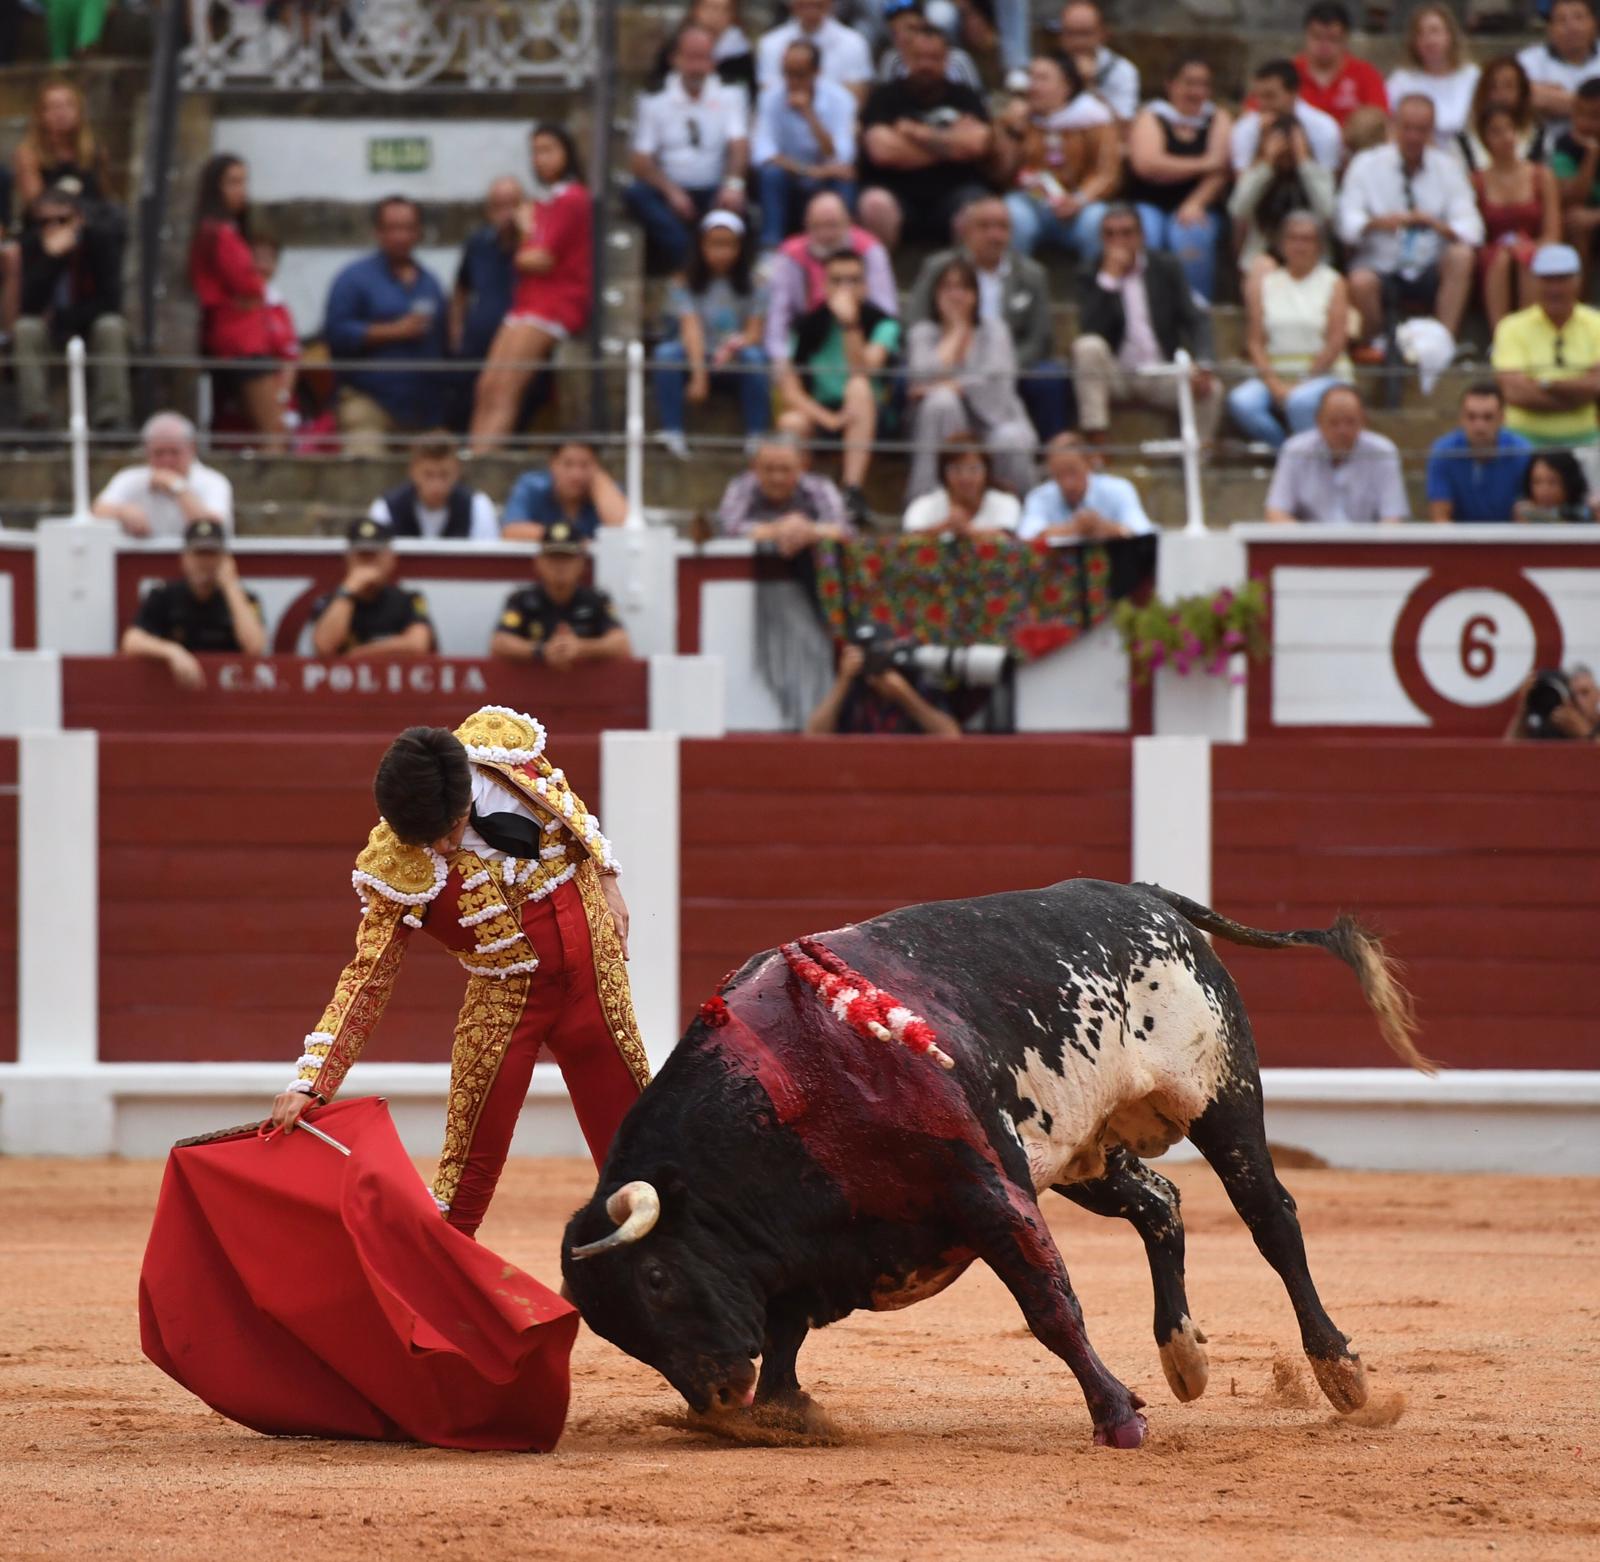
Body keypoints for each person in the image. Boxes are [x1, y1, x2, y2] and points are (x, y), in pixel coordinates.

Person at [267, 709, 648, 1239]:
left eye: (445, 833)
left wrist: (607, 875)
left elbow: (572, 811)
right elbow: (367, 977)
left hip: (596, 984)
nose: (441, 850)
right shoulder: (398, 866)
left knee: (646, 1160)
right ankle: (433, 1313)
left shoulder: (507, 755)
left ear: (466, 798)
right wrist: (312, 1082)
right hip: (504, 1003)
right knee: (460, 1190)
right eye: (425, 841)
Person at [469, 125, 592, 454]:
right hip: (528, 303)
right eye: (535, 151)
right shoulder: (544, 202)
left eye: (548, 149)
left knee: (507, 387)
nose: (540, 159)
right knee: (487, 386)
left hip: (553, 305)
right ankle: (473, 456)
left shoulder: (572, 199)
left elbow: (538, 258)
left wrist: (525, 234)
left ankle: (484, 462)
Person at [907, 196, 1067, 441]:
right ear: (966, 231)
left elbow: (1039, 339)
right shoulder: (938, 267)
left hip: (1007, 366)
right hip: (946, 359)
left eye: (1002, 227)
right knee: (903, 379)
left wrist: (999, 367)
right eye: (985, 226)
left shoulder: (1033, 275)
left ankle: (1050, 454)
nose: (994, 235)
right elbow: (914, 320)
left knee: (1050, 376)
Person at [1069, 205, 1223, 450]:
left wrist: (1203, 362)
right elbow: (1090, 328)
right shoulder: (1089, 272)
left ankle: (1196, 462)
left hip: (1160, 371)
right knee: (1087, 347)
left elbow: (1196, 318)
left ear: (1141, 236)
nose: (1118, 241)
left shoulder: (1165, 266)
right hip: (1115, 374)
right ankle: (1098, 444)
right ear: (1101, 239)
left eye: (1126, 233)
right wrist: (1108, 280)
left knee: (1210, 389)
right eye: (1110, 234)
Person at [1337, 94, 1483, 343]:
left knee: (1462, 256)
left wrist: (1438, 225)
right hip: (1380, 265)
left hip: (1429, 266)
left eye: (1422, 130)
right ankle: (1378, 345)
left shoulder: (1448, 167)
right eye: (1407, 129)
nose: (1414, 137)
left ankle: (1442, 342)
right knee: (1360, 281)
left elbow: (1474, 230)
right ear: (1392, 127)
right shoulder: (1366, 164)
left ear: (1432, 131)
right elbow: (1346, 225)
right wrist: (1379, 223)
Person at [775, 246, 899, 515]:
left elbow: (864, 371)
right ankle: (795, 499)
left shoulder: (883, 324)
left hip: (871, 418)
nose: (846, 288)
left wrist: (850, 325)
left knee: (858, 388)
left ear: (866, 285)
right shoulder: (806, 326)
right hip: (826, 413)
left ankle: (851, 491)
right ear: (824, 285)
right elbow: (790, 390)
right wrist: (827, 419)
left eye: (854, 280)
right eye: (837, 280)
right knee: (790, 422)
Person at [322, 196, 448, 456]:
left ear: (418, 232)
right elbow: (336, 334)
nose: (400, 236)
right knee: (364, 469)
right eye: (392, 228)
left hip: (422, 409)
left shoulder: (430, 283)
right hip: (368, 402)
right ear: (378, 232)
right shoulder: (353, 279)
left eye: (407, 228)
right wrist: (394, 331)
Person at [904, 256, 1037, 500]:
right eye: (948, 287)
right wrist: (955, 332)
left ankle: (1018, 513)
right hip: (940, 423)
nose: (956, 295)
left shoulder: (995, 330)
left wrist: (952, 385)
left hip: (994, 420)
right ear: (935, 294)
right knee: (942, 401)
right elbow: (921, 377)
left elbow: (998, 383)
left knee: (1009, 438)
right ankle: (931, 503)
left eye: (963, 288)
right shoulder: (921, 333)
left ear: (975, 294)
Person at [625, 24, 750, 276]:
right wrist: (672, 192)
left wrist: (733, 183)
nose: (697, 67)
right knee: (636, 194)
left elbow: (739, 145)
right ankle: (690, 263)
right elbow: (640, 160)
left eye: (704, 58)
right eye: (691, 58)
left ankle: (722, 274)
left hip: (715, 187)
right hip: (671, 189)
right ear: (675, 59)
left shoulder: (731, 93)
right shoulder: (654, 98)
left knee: (741, 204)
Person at [856, 26, 993, 250]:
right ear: (906, 58)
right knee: (874, 203)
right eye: (919, 57)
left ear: (946, 59)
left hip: (955, 194)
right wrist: (951, 145)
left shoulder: (965, 96)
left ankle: (967, 278)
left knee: (980, 205)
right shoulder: (884, 96)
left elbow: (978, 144)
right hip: (896, 194)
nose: (926, 65)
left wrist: (917, 134)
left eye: (934, 58)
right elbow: (881, 151)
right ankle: (880, 274)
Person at [1228, 211, 1352, 450]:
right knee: (1242, 402)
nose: (1300, 246)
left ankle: (1308, 457)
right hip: (1274, 371)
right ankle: (1287, 453)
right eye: (1293, 239)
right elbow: (1255, 341)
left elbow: (1336, 340)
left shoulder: (1333, 281)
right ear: (1282, 244)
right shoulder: (1266, 283)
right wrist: (1273, 382)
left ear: (1319, 245)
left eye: (1307, 239)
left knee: (1299, 402)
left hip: (1322, 374)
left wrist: (1303, 381)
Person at [189, 154, 289, 448]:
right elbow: (246, 284)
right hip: (241, 341)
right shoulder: (220, 232)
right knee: (273, 430)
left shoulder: (219, 230)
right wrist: (253, 291)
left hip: (235, 337)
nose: (241, 190)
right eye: (233, 182)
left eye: (243, 181)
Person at [653, 210, 769, 459]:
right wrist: (699, 376)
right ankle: (672, 431)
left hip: (732, 360)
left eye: (729, 245)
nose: (721, 253)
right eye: (714, 245)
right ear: (701, 246)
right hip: (697, 358)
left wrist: (733, 346)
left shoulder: (756, 283)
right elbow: (690, 328)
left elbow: (754, 332)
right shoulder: (682, 282)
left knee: (755, 357)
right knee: (666, 353)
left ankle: (756, 436)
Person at [14, 185, 129, 431]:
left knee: (111, 326)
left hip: (88, 326)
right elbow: (27, 304)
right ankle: (37, 418)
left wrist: (65, 319)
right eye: (45, 221)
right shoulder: (32, 246)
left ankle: (111, 416)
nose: (54, 227)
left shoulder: (100, 242)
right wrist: (52, 259)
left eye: (63, 220)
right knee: (25, 329)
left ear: (79, 219)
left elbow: (110, 301)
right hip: (50, 330)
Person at [1123, 55, 1234, 303]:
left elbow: (1220, 170)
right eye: (1189, 83)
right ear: (1170, 85)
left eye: (1203, 84)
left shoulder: (1218, 118)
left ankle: (1196, 307)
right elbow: (1147, 164)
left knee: (1190, 234)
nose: (1196, 91)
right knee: (1146, 232)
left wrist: (1196, 201)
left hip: (1197, 204)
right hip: (1149, 202)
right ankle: (1145, 304)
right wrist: (1203, 163)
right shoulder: (1151, 116)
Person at [994, 54, 1120, 268]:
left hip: (1079, 205)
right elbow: (1000, 173)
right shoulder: (1017, 119)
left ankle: (1096, 291)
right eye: (1031, 77)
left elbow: (1106, 172)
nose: (1033, 86)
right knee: (1013, 214)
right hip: (1030, 202)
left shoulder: (1095, 119)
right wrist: (1012, 131)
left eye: (1043, 79)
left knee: (1097, 219)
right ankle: (1013, 290)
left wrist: (1079, 199)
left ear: (1066, 87)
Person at [121, 521, 266, 690]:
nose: (204, 562)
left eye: (211, 554)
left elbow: (255, 648)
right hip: (174, 697)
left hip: (230, 696)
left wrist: (230, 586)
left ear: (224, 559)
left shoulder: (245, 598)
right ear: (185, 558)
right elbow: (131, 641)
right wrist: (173, 652)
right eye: (198, 553)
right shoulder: (164, 596)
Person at [762, 189, 898, 363]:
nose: (826, 234)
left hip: (867, 336)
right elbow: (778, 317)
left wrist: (850, 323)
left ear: (849, 222)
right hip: (811, 341)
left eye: (833, 225)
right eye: (817, 226)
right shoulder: (789, 255)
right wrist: (782, 363)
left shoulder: (871, 249)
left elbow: (885, 311)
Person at [752, 38, 859, 250]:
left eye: (799, 74)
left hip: (826, 182)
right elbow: (763, 154)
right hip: (791, 178)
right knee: (771, 174)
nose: (792, 81)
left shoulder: (841, 99)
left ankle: (842, 247)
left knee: (844, 180)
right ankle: (771, 247)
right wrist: (809, 171)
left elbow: (841, 157)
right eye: (787, 73)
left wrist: (809, 114)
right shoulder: (769, 99)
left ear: (816, 72)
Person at [1491, 241, 1600, 446]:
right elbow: (1514, 392)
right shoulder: (1511, 326)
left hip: (1586, 437)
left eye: (1562, 279)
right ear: (1534, 282)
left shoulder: (1597, 324)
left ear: (1578, 281)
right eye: (1547, 280)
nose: (1555, 288)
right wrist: (1576, 395)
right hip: (1523, 437)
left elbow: (1597, 384)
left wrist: (1545, 383)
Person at [490, 522, 633, 667]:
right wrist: (541, 650)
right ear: (539, 562)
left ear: (582, 563)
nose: (560, 566)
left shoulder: (596, 600)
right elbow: (499, 643)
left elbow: (622, 644)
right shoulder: (522, 599)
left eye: (567, 559)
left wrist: (581, 648)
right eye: (553, 558)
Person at [1263, 383, 1409, 524]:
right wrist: (1308, 543)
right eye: (1334, 422)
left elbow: (1392, 517)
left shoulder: (1383, 452)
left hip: (1368, 545)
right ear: (1318, 421)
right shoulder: (1295, 450)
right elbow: (1276, 513)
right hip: (1309, 544)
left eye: (1350, 422)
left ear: (1364, 421)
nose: (1342, 431)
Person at [1474, 105, 1561, 332]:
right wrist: (1506, 248)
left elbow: (1553, 233)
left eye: (1510, 129)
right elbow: (1475, 233)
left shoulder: (1541, 175)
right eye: (1497, 131)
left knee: (1528, 257)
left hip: (1533, 247)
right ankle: (1500, 335)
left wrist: (1527, 246)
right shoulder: (1476, 181)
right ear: (1484, 138)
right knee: (1500, 258)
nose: (1507, 137)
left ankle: (1530, 333)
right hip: (1494, 253)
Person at [1228, 113, 1338, 283]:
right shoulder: (1258, 173)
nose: (1286, 153)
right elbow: (1238, 209)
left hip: (1309, 258)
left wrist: (1303, 163)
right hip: (1265, 255)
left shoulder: (1317, 173)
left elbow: (1327, 211)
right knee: (1262, 266)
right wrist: (1267, 164)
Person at [91, 412, 233, 539]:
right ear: (146, 451)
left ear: (192, 448)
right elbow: (97, 510)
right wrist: (123, 512)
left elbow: (212, 528)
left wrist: (178, 488)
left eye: (174, 452)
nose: (167, 461)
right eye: (159, 453)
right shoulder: (129, 478)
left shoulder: (214, 481)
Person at [310, 519, 437, 658]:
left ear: (390, 559)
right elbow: (324, 647)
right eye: (362, 555)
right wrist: (348, 591)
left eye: (375, 555)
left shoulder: (409, 600)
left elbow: (418, 644)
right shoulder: (328, 602)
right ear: (348, 558)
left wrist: (360, 654)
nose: (369, 563)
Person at [805, 628, 962, 735]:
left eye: (876, 651)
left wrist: (905, 696)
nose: (871, 659)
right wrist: (842, 681)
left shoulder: (914, 680)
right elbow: (813, 735)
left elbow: (951, 735)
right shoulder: (853, 687)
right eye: (863, 652)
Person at [716, 431, 852, 550]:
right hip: (753, 566)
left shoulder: (820, 486)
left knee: (835, 549)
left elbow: (843, 530)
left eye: (785, 469)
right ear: (754, 467)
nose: (777, 478)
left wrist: (809, 530)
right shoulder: (741, 486)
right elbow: (726, 529)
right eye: (769, 469)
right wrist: (776, 530)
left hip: (814, 566)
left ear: (802, 466)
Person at [449, 176, 524, 381]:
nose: (507, 213)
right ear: (488, 210)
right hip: (477, 349)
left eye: (513, 204)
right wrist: (457, 332)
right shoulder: (478, 243)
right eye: (499, 206)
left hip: (520, 351)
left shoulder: (535, 248)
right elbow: (461, 289)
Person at [1424, 381, 1533, 522]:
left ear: (1502, 418)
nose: (1479, 426)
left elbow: (1525, 517)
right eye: (1471, 417)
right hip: (1458, 540)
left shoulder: (1522, 452)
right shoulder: (1443, 452)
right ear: (1461, 419)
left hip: (1508, 539)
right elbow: (1440, 517)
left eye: (1488, 417)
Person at [1017, 431, 1155, 541]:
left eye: (1072, 472)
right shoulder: (1039, 496)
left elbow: (1143, 531)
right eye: (1058, 474)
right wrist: (1073, 529)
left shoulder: (1119, 489)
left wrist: (1107, 529)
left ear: (1089, 464)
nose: (1067, 484)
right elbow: (1025, 538)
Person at [368, 434, 500, 541]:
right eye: (428, 475)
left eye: (444, 475)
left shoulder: (477, 505)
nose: (436, 484)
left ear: (458, 472)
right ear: (412, 472)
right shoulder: (386, 507)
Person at [1385, 4, 1480, 153]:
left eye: (1434, 31)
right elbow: (1390, 128)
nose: (1428, 40)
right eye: (1421, 34)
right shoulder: (1401, 80)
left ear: (1450, 35)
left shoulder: (1472, 76)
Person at [11, 77, 114, 211]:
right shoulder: (28, 154)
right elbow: (35, 205)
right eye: (54, 107)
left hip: (91, 224)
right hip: (48, 225)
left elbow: (104, 198)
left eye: (68, 105)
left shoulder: (95, 152)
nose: (61, 113)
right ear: (40, 115)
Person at [1230, 59, 1343, 175]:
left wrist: (1303, 159)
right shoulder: (1246, 126)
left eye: (1270, 96)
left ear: (1294, 92)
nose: (1262, 104)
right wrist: (1263, 155)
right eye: (1258, 96)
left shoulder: (1324, 127)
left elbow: (1328, 185)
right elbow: (1241, 185)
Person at [502, 440, 629, 541]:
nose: (576, 475)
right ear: (552, 464)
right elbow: (511, 531)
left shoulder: (607, 492)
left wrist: (599, 478)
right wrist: (570, 537)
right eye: (568, 464)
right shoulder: (532, 486)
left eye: (585, 465)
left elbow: (626, 532)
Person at [1294, 0, 1388, 127]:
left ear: (1345, 38)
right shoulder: (1288, 72)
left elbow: (1380, 119)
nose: (1324, 45)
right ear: (1306, 35)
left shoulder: (1365, 74)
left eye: (1332, 39)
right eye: (1317, 37)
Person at [755, 0, 873, 101]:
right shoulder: (770, 44)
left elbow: (854, 102)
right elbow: (768, 99)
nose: (810, 1)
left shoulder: (854, 43)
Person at [902, 434, 1022, 533]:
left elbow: (1009, 538)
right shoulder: (924, 504)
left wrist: (968, 530)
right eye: (956, 469)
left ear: (987, 471)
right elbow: (910, 538)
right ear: (943, 473)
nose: (965, 477)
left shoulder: (1006, 502)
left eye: (973, 469)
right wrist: (945, 526)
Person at [1518, 0, 1600, 139]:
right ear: (1550, 28)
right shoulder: (1529, 60)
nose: (1571, 27)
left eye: (1579, 17)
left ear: (1594, 23)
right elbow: (1521, 95)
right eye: (1562, 20)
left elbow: (1539, 98)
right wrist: (1592, 107)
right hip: (1547, 150)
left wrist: (1555, 101)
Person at [1056, 0, 1141, 125]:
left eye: (1085, 33)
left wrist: (1089, 85)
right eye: (1070, 33)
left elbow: (1124, 127)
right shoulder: (1051, 66)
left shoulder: (1122, 71)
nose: (1078, 42)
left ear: (1102, 34)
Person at [1459, 55, 1548, 172]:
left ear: (1521, 93)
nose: (1501, 95)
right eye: (1493, 87)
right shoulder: (1463, 142)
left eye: (1509, 87)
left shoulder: (1539, 138)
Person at [876, 0, 982, 90]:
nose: (904, 36)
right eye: (896, 32)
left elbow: (977, 104)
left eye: (911, 28)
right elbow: (884, 104)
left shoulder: (958, 60)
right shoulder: (891, 61)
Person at [1552, 78, 1600, 263]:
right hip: (1588, 223)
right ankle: (1580, 292)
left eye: (1595, 116)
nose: (1586, 123)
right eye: (1580, 115)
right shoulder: (1566, 145)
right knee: (1573, 222)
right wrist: (1592, 154)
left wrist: (1595, 217)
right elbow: (1573, 198)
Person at [1507, 663, 1600, 737]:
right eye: (1572, 694)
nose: (1577, 700)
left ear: (1597, 695)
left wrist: (1584, 732)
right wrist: (1523, 712)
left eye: (1584, 693)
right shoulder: (1550, 728)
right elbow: (1509, 753)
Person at [1513, 447, 1600, 522]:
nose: (1544, 490)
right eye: (1537, 482)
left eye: (1552, 482)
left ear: (1569, 482)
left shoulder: (1588, 511)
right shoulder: (1523, 510)